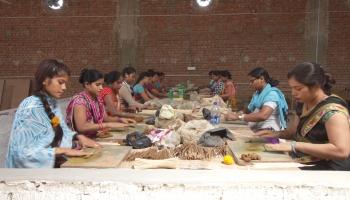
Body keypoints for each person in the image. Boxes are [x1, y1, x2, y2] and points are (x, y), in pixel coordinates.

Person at [6, 59, 99, 168]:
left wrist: (78, 137)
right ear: (45, 80)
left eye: (65, 83)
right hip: (25, 176)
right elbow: (21, 154)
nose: (64, 88)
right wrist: (62, 151)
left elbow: (60, 127)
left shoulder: (51, 103)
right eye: (60, 82)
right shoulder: (31, 108)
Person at [256, 62, 350, 170]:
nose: (293, 93)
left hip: (329, 168)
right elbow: (293, 132)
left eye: (298, 89)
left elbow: (341, 151)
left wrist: (294, 146)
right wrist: (275, 134)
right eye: (292, 88)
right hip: (303, 161)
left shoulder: (334, 112)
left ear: (315, 86)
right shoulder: (303, 103)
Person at [66, 69, 131, 138]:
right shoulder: (80, 101)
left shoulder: (97, 99)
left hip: (94, 136)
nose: (101, 88)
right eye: (97, 85)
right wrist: (107, 125)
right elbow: (82, 127)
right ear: (87, 84)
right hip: (80, 140)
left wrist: (120, 120)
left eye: (102, 85)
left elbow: (105, 118)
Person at [225, 67, 288, 132]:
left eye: (252, 81)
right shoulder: (257, 93)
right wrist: (236, 114)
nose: (250, 84)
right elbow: (249, 109)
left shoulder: (272, 94)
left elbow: (263, 115)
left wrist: (239, 117)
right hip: (258, 128)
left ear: (261, 79)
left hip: (269, 130)